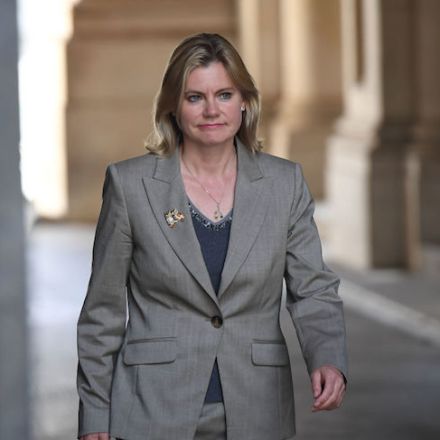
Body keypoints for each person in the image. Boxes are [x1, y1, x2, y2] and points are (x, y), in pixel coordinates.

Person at [77, 32, 347, 440]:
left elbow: (313, 289)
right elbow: (103, 310)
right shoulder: (130, 185)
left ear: (244, 101)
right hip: (152, 408)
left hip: (257, 406)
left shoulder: (284, 183)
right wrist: (95, 413)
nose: (211, 110)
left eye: (224, 95)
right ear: (173, 107)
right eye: (194, 97)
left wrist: (327, 357)